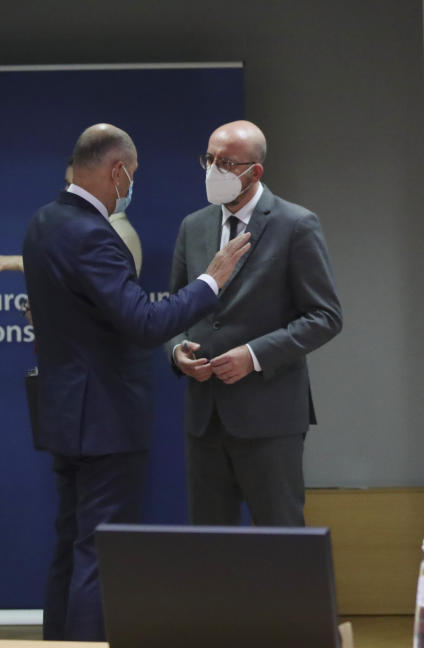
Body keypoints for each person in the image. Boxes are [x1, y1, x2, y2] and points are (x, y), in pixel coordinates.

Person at [21, 123, 250, 641]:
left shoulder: (42, 223)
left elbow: (97, 316)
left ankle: (58, 642)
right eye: (133, 174)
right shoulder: (92, 233)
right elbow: (141, 324)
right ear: (117, 170)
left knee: (69, 543)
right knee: (98, 549)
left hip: (64, 414)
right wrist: (210, 280)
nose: (132, 185)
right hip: (104, 418)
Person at [164, 120, 342, 527]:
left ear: (254, 171)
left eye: (225, 163)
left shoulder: (295, 224)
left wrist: (254, 355)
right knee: (210, 549)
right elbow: (175, 310)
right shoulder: (193, 226)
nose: (213, 170)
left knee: (280, 544)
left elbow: (326, 316)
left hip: (270, 415)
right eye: (208, 159)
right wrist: (177, 351)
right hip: (204, 416)